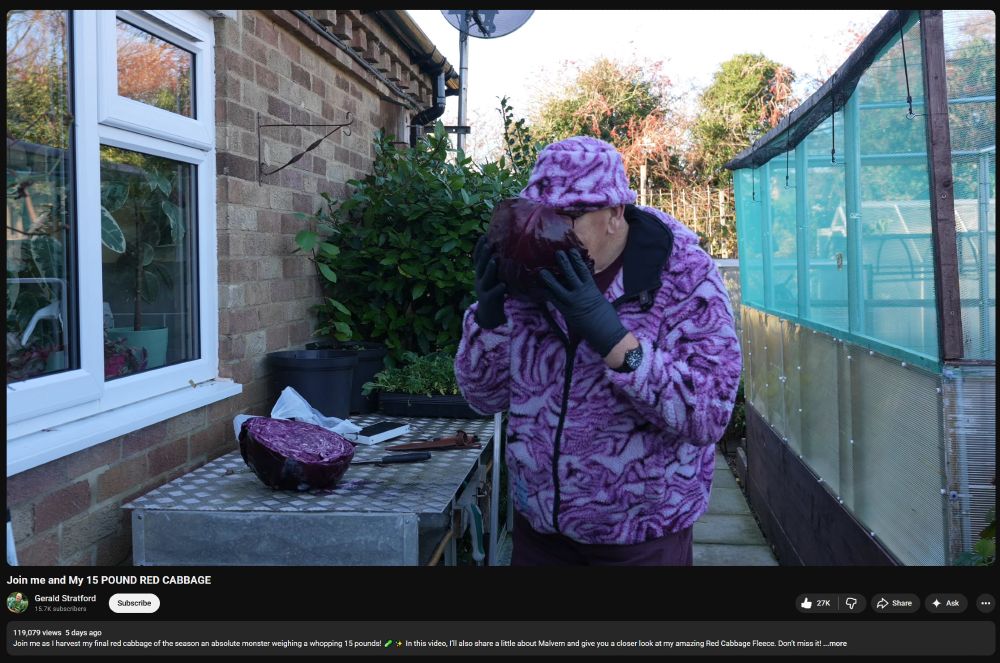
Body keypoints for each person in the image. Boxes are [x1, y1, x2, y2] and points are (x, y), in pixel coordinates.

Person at [455, 135, 741, 565]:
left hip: (641, 538)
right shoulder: (531, 276)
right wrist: (490, 321)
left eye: (569, 215)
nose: (548, 230)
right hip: (539, 531)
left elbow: (709, 413)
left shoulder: (683, 278)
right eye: (541, 214)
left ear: (614, 213)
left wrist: (614, 340)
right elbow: (482, 399)